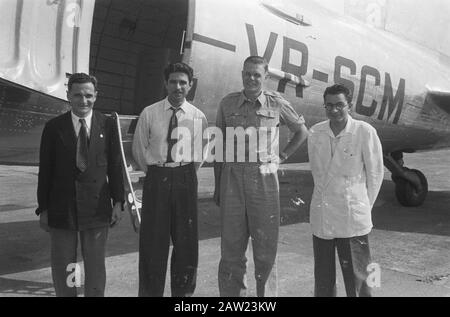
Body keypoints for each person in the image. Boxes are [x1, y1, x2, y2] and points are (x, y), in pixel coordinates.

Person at [214, 56, 309, 297]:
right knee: (231, 251)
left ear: (266, 76)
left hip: (264, 179)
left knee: (266, 251)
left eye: (257, 74)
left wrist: (282, 157)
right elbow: (219, 146)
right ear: (242, 74)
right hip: (232, 178)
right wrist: (218, 187)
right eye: (247, 73)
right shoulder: (227, 104)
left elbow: (301, 131)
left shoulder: (276, 103)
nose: (251, 78)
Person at [36, 73, 124, 297]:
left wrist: (119, 202)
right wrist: (43, 208)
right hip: (62, 208)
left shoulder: (108, 124)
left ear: (96, 96)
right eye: (77, 95)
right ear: (68, 96)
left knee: (95, 266)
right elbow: (45, 171)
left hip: (96, 208)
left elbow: (115, 166)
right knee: (66, 265)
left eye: (88, 95)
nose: (83, 101)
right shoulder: (54, 127)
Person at [132, 62, 208, 297]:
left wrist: (181, 171)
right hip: (157, 178)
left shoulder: (198, 116)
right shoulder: (150, 112)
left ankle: (183, 297)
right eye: (173, 82)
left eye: (183, 82)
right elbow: (139, 149)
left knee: (186, 243)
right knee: (153, 243)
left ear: (190, 85)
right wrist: (159, 171)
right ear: (165, 83)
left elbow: (201, 153)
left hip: (185, 177)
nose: (178, 87)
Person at [308, 84, 384, 297]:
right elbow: (318, 175)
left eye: (339, 105)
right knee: (323, 279)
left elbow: (375, 175)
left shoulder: (365, 131)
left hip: (352, 217)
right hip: (323, 215)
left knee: (360, 278)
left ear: (349, 105)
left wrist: (361, 207)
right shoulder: (315, 132)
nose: (334, 110)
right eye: (329, 105)